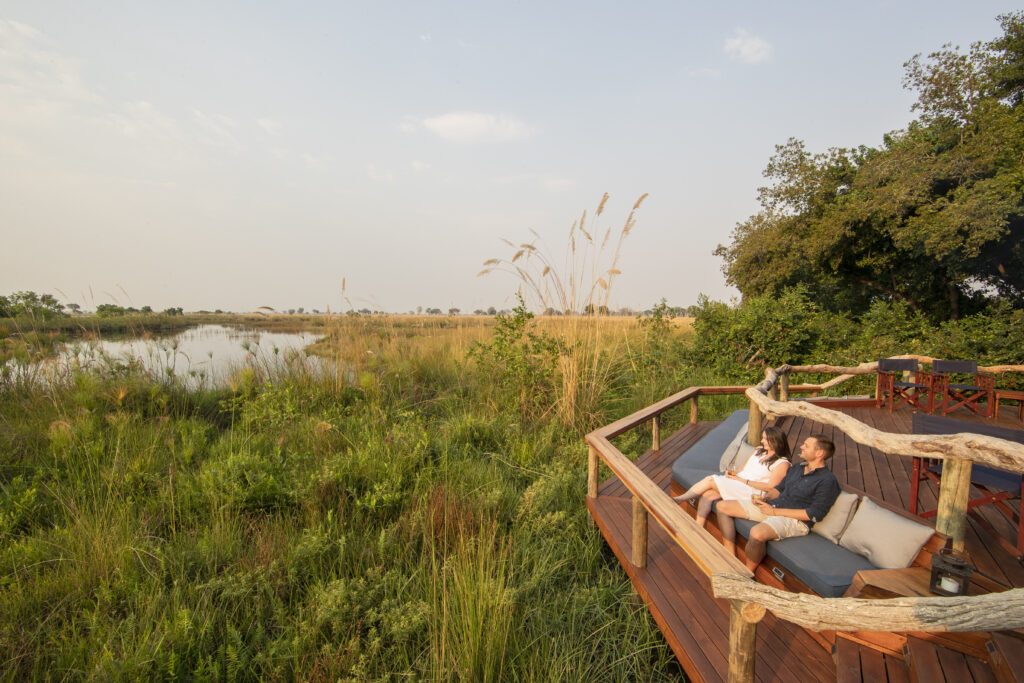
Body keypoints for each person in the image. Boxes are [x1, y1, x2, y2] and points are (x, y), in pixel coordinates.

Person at [715, 434, 841, 572]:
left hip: (795, 520)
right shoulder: (798, 468)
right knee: (722, 506)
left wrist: (774, 512)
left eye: (806, 445)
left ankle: (746, 574)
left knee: (757, 533)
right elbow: (779, 489)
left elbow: (814, 514)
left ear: (819, 453)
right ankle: (730, 555)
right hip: (773, 506)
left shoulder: (827, 481)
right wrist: (764, 498)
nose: (801, 447)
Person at [673, 425, 792, 529]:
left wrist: (743, 481)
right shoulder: (759, 450)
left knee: (711, 479)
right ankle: (698, 529)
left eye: (765, 439)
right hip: (738, 482)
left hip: (751, 490)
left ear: (774, 440)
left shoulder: (782, 463)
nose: (762, 441)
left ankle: (680, 499)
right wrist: (732, 473)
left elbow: (771, 487)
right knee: (708, 495)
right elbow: (743, 468)